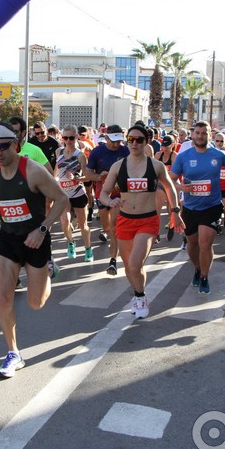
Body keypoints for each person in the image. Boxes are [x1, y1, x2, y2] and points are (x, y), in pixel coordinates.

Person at [0, 122, 69, 378]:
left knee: (36, 303)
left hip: (36, 239)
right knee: (4, 297)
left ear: (15, 145)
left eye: (3, 146)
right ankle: (13, 353)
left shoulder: (33, 171)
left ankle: (47, 269)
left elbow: (62, 199)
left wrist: (43, 229)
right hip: (8, 240)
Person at [100, 125, 184, 318]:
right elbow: (104, 192)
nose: (134, 143)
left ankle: (140, 297)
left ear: (146, 142)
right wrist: (110, 200)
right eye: (131, 140)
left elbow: (170, 188)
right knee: (129, 265)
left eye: (139, 140)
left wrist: (175, 211)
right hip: (125, 220)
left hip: (147, 221)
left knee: (136, 263)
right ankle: (139, 295)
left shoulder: (155, 165)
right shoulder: (118, 166)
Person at [169, 121, 225, 294]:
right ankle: (198, 268)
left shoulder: (218, 154)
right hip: (191, 207)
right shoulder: (184, 156)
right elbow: (170, 179)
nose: (200, 136)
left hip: (212, 206)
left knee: (205, 243)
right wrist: (179, 187)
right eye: (197, 133)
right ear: (193, 135)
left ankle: (205, 277)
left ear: (210, 135)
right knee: (192, 244)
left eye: (204, 133)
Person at [86, 124, 130, 275]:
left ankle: (113, 261)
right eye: (113, 141)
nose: (116, 144)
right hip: (102, 193)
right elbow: (88, 173)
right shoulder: (97, 152)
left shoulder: (125, 151)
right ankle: (113, 243)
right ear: (106, 138)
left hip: (120, 193)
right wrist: (99, 177)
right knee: (107, 228)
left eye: (119, 141)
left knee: (114, 226)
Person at [55, 125, 93, 262]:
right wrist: (54, 180)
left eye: (71, 137)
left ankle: (88, 248)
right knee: (65, 222)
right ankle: (71, 243)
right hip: (63, 193)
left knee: (83, 225)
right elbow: (56, 171)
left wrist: (76, 178)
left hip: (77, 192)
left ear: (76, 137)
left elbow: (87, 177)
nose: (68, 140)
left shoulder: (80, 155)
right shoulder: (58, 152)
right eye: (65, 138)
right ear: (62, 138)